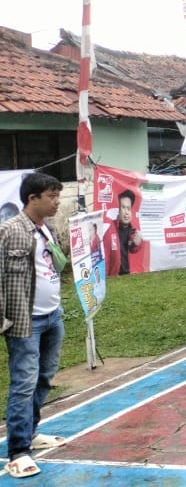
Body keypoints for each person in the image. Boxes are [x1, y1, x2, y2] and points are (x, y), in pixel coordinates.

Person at [1, 173, 67, 478]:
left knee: (44, 378)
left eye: (57, 196)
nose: (56, 202)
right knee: (24, 382)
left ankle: (30, 433)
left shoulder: (47, 229)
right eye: (51, 196)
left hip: (52, 314)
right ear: (32, 198)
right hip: (24, 320)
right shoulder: (10, 231)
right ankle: (17, 451)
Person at [103, 188, 148, 276]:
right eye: (123, 207)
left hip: (130, 276)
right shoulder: (110, 228)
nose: (126, 212)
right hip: (114, 276)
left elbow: (134, 248)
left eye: (128, 208)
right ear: (118, 210)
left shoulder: (134, 231)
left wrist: (137, 244)